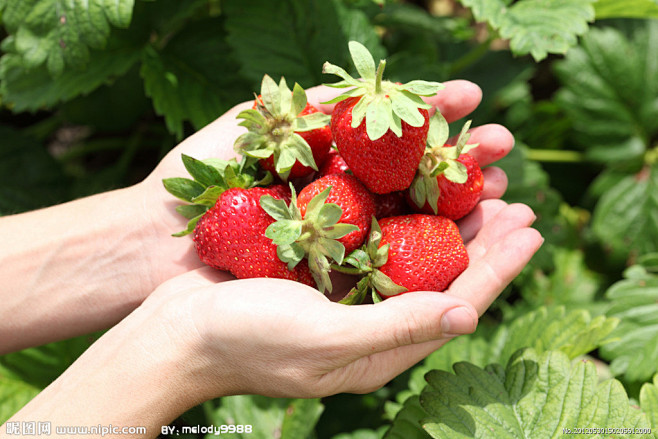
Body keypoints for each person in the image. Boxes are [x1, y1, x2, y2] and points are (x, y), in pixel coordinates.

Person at [0, 81, 542, 437]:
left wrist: (142, 233)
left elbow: (360, 188)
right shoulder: (301, 203)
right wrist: (190, 346)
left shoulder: (323, 186)